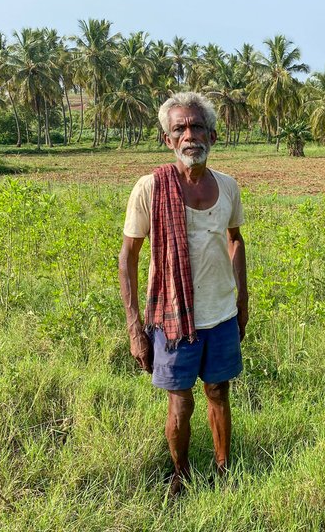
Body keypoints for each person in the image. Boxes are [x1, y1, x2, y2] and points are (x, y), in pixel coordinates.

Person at [118, 92, 248, 495]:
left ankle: (225, 471)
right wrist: (134, 326)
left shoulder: (227, 186)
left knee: (218, 392)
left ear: (213, 134)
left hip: (221, 314)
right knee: (181, 401)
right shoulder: (151, 188)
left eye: (197, 126)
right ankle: (181, 474)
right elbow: (128, 256)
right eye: (180, 128)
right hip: (172, 318)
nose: (190, 135)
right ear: (167, 139)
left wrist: (243, 303)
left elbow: (236, 240)